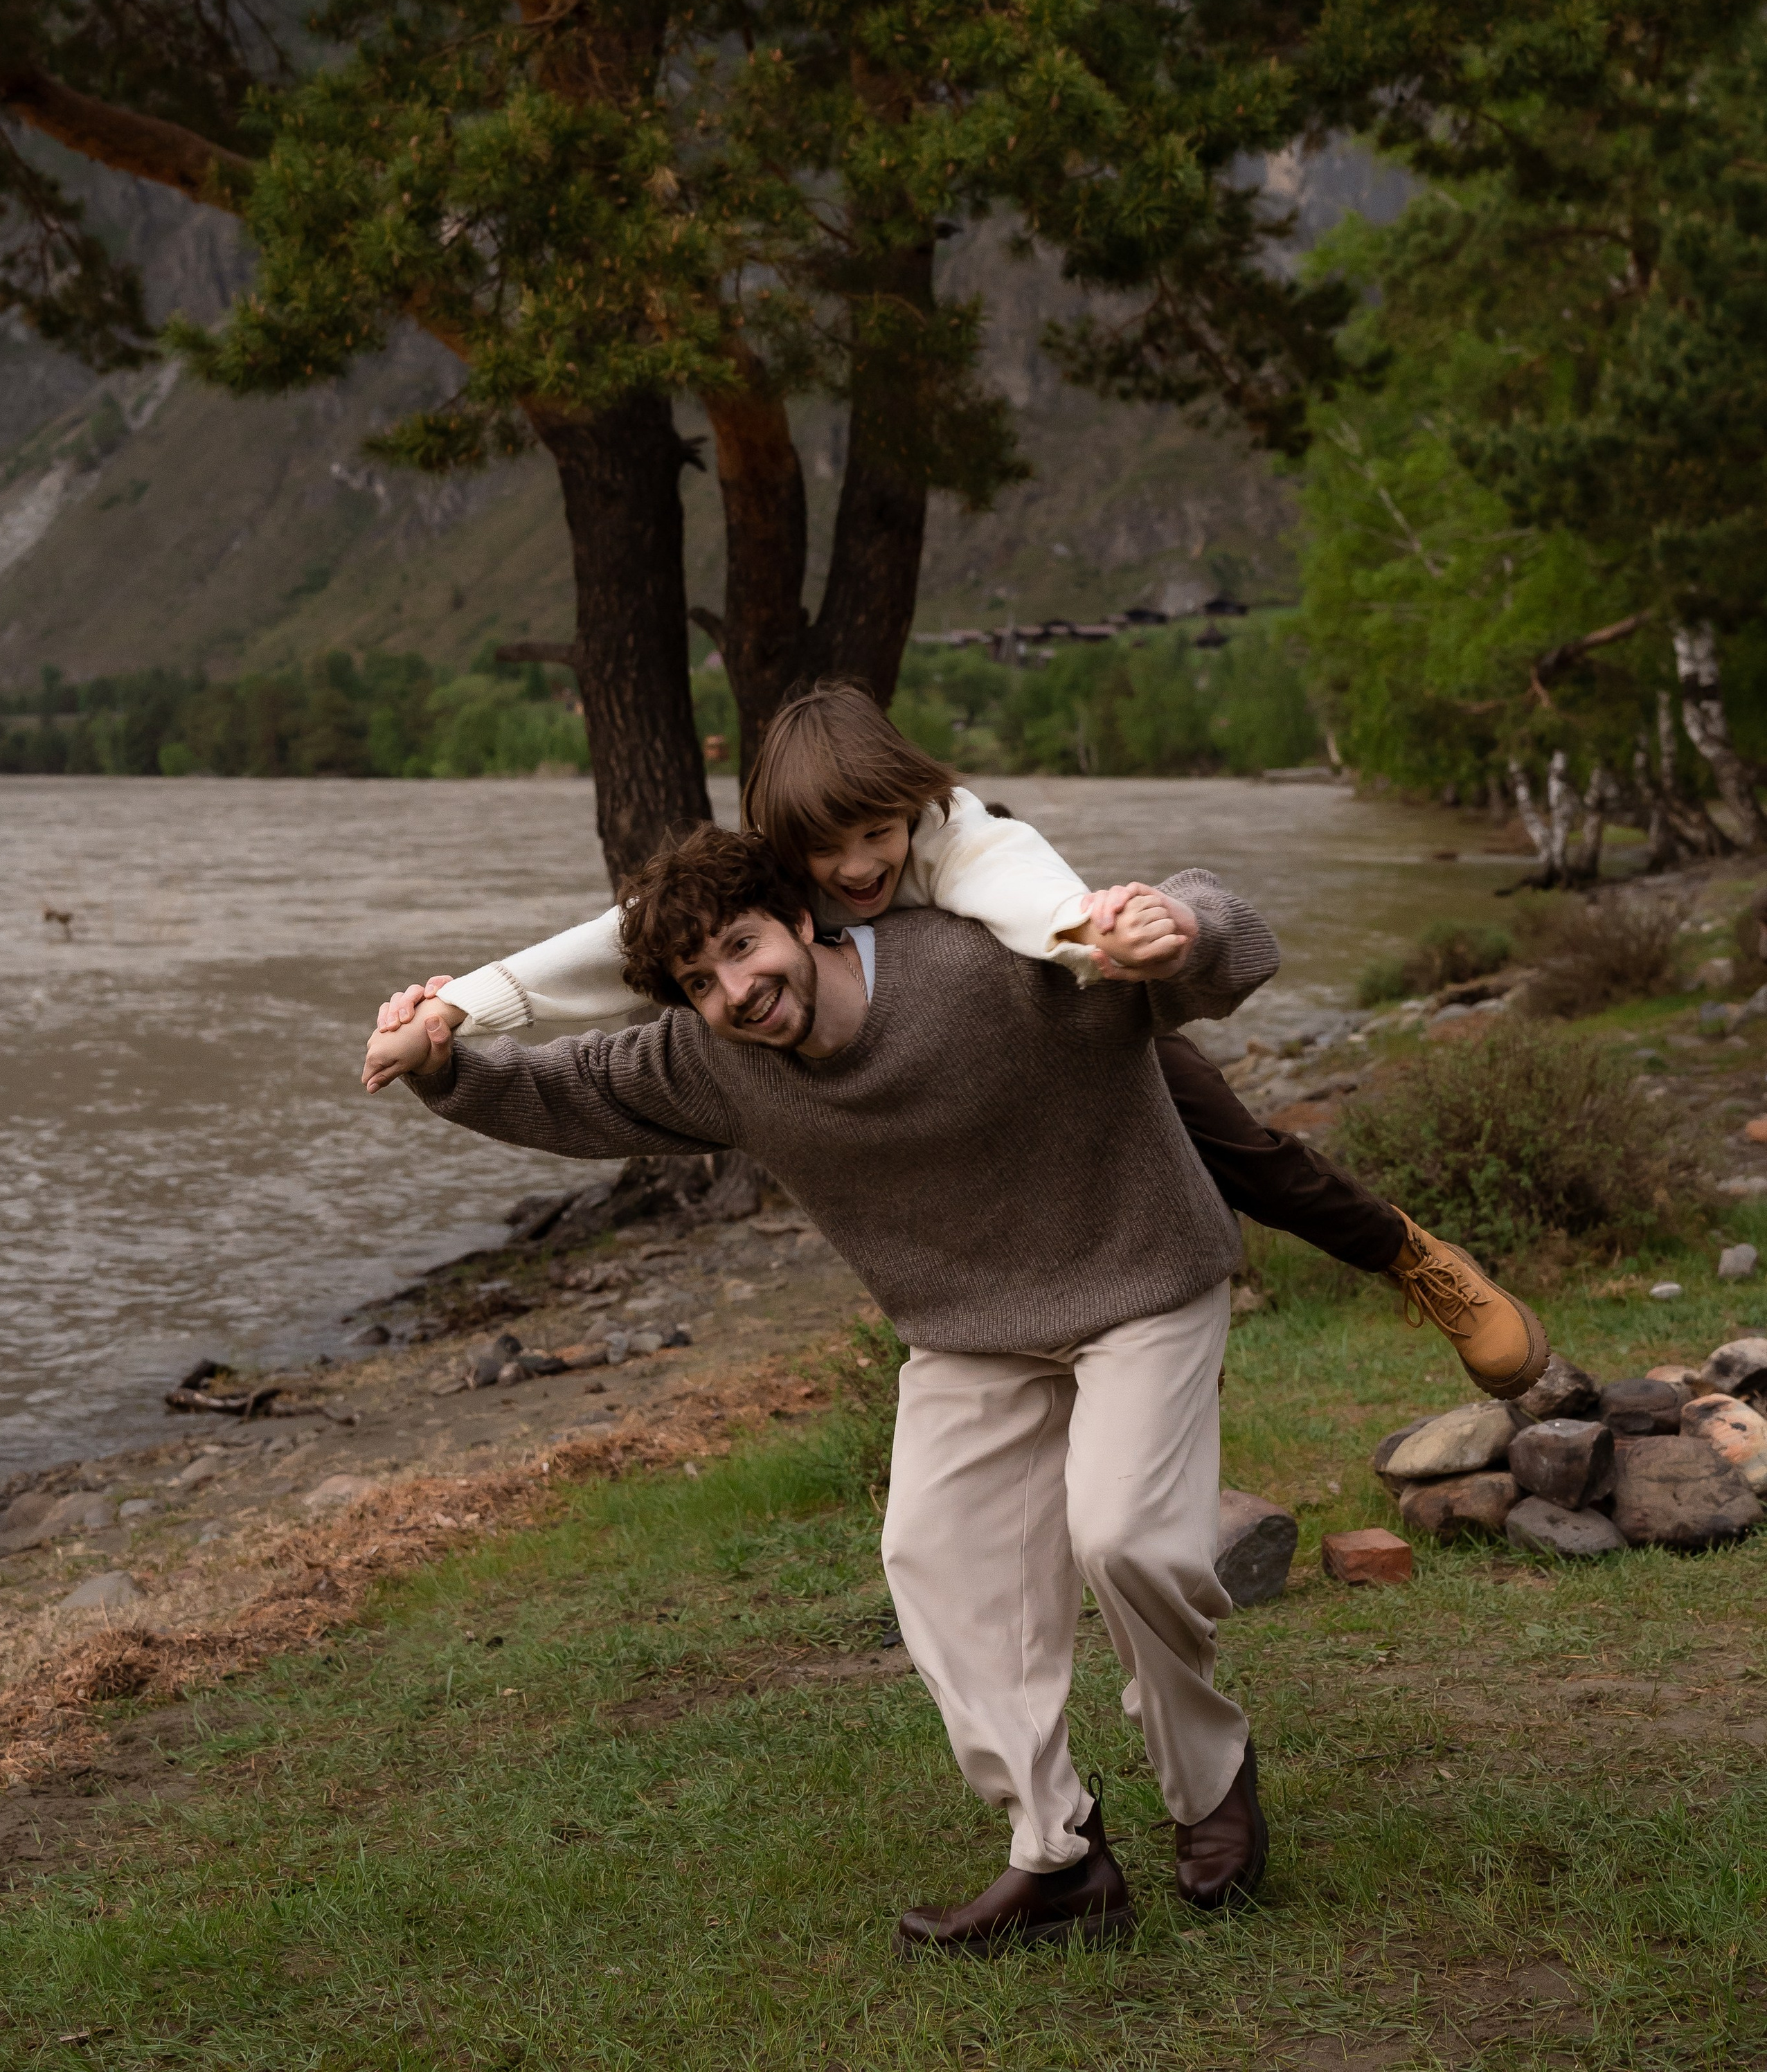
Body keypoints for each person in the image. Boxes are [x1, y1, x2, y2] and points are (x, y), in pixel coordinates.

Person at [365, 821, 1282, 1950]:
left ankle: (1210, 1778)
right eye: (701, 982)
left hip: (1140, 1276)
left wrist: (1184, 928)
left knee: (1124, 1537)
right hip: (971, 1332)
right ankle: (1060, 1857)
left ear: (806, 920)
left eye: (747, 949)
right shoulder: (715, 1064)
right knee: (933, 1559)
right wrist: (443, 1062)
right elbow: (567, 1092)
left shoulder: (979, 964)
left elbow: (1202, 960)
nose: (738, 991)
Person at [370, 685, 1545, 1399]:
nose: (862, 869)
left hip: (1063, 1006)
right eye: (832, 856)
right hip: (932, 1084)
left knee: (1241, 1153)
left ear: (917, 805)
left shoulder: (960, 834)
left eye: (883, 835)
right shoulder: (775, 892)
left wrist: (1107, 937)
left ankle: (1411, 1259)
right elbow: (608, 943)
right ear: (785, 854)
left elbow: (1038, 896)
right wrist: (463, 1009)